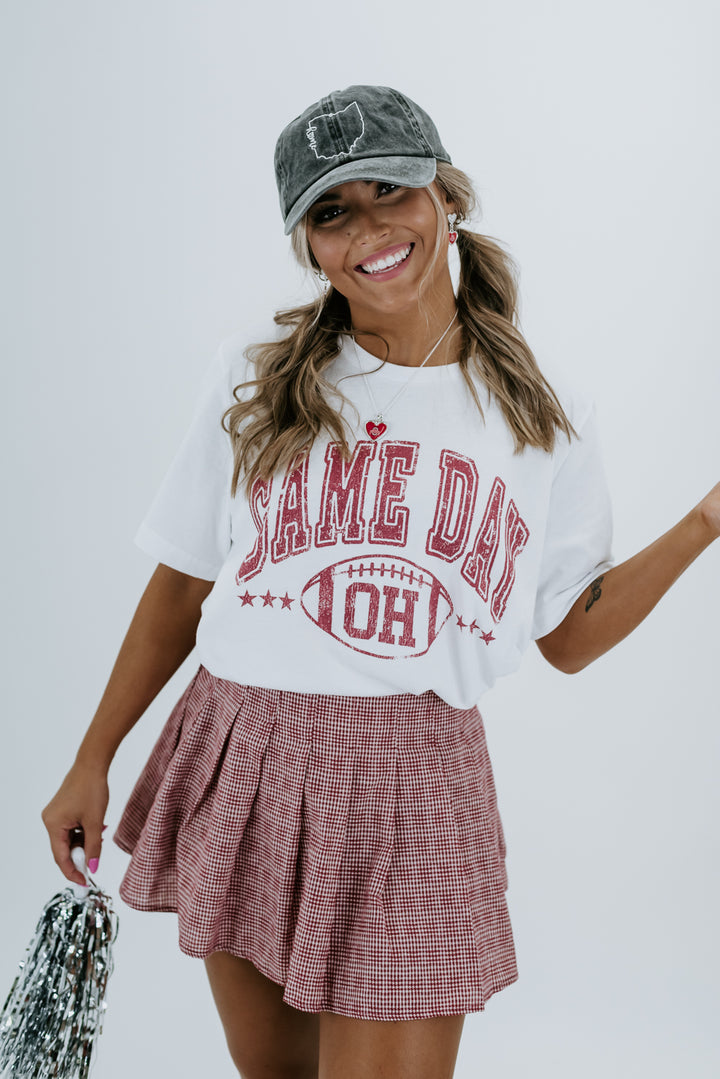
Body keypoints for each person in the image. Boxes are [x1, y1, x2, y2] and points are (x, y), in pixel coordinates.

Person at [42, 85, 719, 1079]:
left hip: (413, 777)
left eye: (390, 191)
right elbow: (184, 583)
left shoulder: (541, 412)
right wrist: (92, 756)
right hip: (239, 745)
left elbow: (568, 636)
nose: (368, 229)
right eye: (332, 211)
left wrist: (706, 521)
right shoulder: (257, 375)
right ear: (308, 244)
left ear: (448, 197)